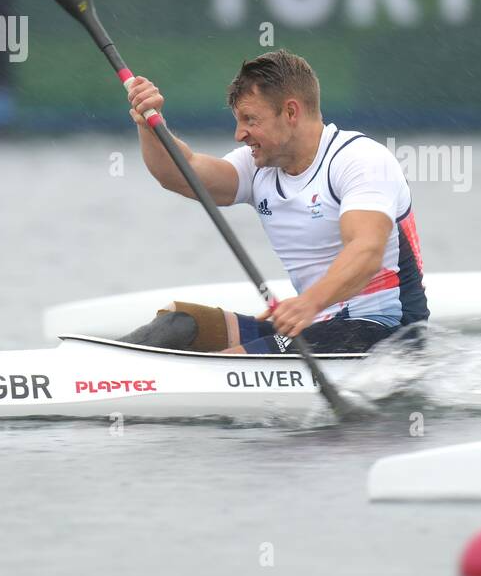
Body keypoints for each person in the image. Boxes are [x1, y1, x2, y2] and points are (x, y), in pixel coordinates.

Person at [119, 49, 428, 353]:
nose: (240, 134)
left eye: (250, 119)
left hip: (386, 331)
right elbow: (180, 174)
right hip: (312, 323)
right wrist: (147, 123)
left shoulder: (358, 160)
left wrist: (308, 303)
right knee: (178, 323)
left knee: (234, 361)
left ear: (291, 112)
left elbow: (366, 250)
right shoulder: (258, 167)